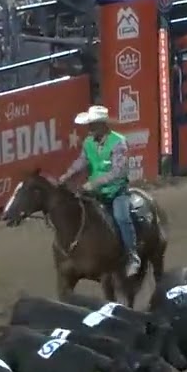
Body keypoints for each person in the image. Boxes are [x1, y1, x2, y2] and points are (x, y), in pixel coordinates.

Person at [58, 105, 141, 276]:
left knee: (121, 217)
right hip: (97, 193)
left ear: (102, 125)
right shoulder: (89, 143)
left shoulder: (118, 142)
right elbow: (82, 161)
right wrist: (67, 175)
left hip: (117, 192)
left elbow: (118, 172)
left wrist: (93, 183)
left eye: (92, 125)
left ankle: (132, 255)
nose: (89, 129)